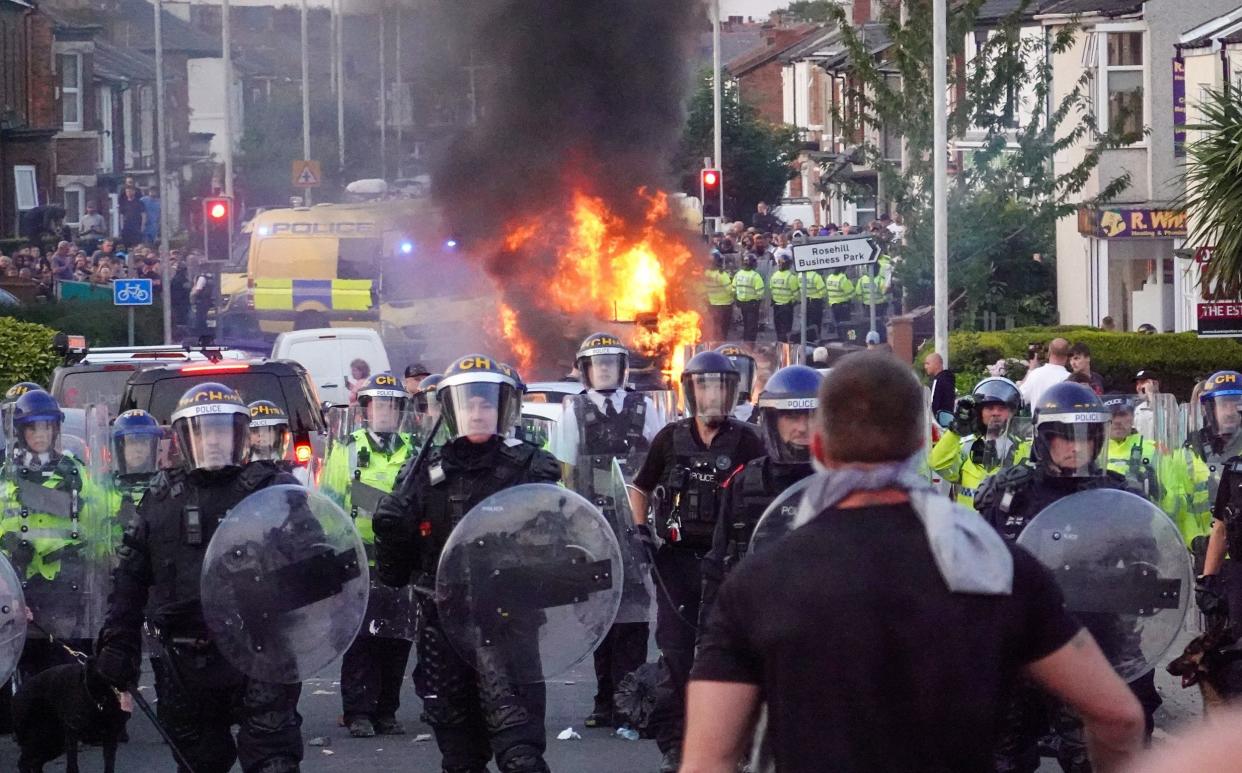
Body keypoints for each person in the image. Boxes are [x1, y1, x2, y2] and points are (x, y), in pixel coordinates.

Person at [684, 353, 1144, 773]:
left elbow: (708, 758)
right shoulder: (997, 568)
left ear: (821, 449)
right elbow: (1117, 715)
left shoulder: (759, 582)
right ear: (919, 447)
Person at [92, 383, 305, 773]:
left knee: (273, 757)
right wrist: (119, 645)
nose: (212, 442)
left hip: (263, 651)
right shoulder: (160, 499)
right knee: (199, 762)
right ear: (185, 439)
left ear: (241, 435)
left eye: (222, 431)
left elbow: (314, 565)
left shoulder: (275, 490)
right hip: (186, 659)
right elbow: (129, 581)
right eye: (202, 432)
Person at [372, 355, 559, 773]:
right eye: (468, 404)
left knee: (522, 756)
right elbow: (395, 574)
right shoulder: (422, 473)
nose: (477, 412)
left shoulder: (529, 467)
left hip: (509, 627)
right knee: (459, 759)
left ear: (504, 408)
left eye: (487, 404)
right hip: (442, 630)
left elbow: (555, 549)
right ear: (452, 410)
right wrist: (391, 531)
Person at [974, 381, 1159, 771]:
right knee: (1001, 755)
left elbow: (1148, 574)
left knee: (1093, 755)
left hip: (1092, 645)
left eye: (1087, 438)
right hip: (1021, 648)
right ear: (1044, 439)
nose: (1076, 447)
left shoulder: (1119, 497)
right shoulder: (1013, 492)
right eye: (1064, 438)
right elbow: (980, 565)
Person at [626, 351, 764, 773]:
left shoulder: (749, 439)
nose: (712, 394)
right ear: (690, 390)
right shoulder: (669, 438)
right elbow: (641, 486)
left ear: (732, 391)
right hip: (677, 563)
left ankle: (735, 748)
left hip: (729, 564)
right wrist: (639, 531)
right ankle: (676, 746)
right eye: (704, 385)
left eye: (720, 386)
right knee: (675, 656)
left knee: (730, 654)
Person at [555, 334, 662, 729]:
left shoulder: (644, 407)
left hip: (633, 522)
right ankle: (604, 700)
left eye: (610, 363)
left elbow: (658, 463)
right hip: (592, 526)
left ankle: (629, 699)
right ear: (585, 370)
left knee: (634, 614)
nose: (603, 370)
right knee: (600, 613)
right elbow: (564, 473)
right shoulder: (574, 411)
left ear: (622, 368)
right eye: (596, 364)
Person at [320, 373, 417, 739]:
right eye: (378, 405)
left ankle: (387, 711)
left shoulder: (415, 451)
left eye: (392, 405)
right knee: (361, 640)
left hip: (401, 563)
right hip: (359, 560)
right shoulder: (346, 450)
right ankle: (358, 711)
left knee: (397, 638)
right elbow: (328, 506)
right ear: (365, 410)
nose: (384, 412)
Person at [699, 365, 821, 628]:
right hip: (758, 626)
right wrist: (708, 653)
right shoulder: (746, 483)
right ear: (772, 420)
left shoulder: (846, 483)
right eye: (791, 416)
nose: (802, 427)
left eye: (811, 416)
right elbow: (717, 568)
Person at [0, 388, 102, 677]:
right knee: (28, 672)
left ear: (56, 429)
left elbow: (97, 523)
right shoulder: (7, 475)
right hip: (22, 589)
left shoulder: (74, 473)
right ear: (20, 432)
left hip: (66, 586)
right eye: (32, 427)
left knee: (67, 672)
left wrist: (83, 510)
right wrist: (7, 547)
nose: (40, 434)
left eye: (46, 426)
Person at [1162, 371, 1242, 565]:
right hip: (1204, 553)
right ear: (1208, 409)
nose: (1230, 411)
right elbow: (1178, 507)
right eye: (1224, 404)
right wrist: (1194, 539)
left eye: (1236, 403)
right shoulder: (1188, 452)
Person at [929, 377, 1030, 507]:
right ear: (979, 412)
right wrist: (955, 432)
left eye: (1001, 408)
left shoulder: (1026, 449)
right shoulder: (967, 446)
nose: (995, 413)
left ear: (1013, 412)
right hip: (970, 525)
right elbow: (938, 464)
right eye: (990, 408)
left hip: (1005, 524)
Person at [107, 409, 161, 533]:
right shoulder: (106, 487)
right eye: (132, 442)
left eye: (143, 442)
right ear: (120, 447)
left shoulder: (163, 487)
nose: (138, 449)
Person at [1102, 396, 1161, 501]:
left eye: (1122, 414)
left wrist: (1160, 492)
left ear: (1133, 417)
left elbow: (1176, 504)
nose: (1117, 421)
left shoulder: (1154, 449)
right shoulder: (1093, 451)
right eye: (1112, 415)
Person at [1018, 337, 1070, 407]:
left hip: (1037, 417)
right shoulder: (1070, 379)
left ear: (1049, 352)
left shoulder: (1034, 374)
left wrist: (1031, 369)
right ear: (1068, 355)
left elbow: (1020, 397)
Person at [715, 344, 759, 424]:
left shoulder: (762, 417)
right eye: (727, 378)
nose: (734, 383)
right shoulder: (705, 420)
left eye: (739, 376)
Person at [732, 255, 764, 344]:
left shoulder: (738, 274)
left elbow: (733, 289)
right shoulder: (755, 276)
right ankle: (750, 345)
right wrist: (758, 302)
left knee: (746, 324)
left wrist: (737, 300)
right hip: (752, 304)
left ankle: (745, 341)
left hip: (742, 304)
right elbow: (760, 292)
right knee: (752, 326)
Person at [768, 254, 799, 343]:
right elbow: (796, 294)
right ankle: (785, 349)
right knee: (786, 330)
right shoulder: (791, 277)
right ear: (788, 265)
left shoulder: (774, 275)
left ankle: (780, 346)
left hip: (776, 307)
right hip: (786, 307)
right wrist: (795, 302)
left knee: (778, 329)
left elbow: (771, 289)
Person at [704, 254, 734, 341]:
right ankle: (722, 344)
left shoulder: (706, 273)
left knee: (715, 327)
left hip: (712, 304)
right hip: (725, 305)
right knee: (724, 328)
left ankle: (714, 343)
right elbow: (730, 290)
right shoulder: (722, 275)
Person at [925, 351, 956, 418]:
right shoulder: (949, 380)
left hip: (938, 423)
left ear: (936, 364)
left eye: (927, 363)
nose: (925, 367)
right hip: (948, 421)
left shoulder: (937, 381)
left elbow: (932, 406)